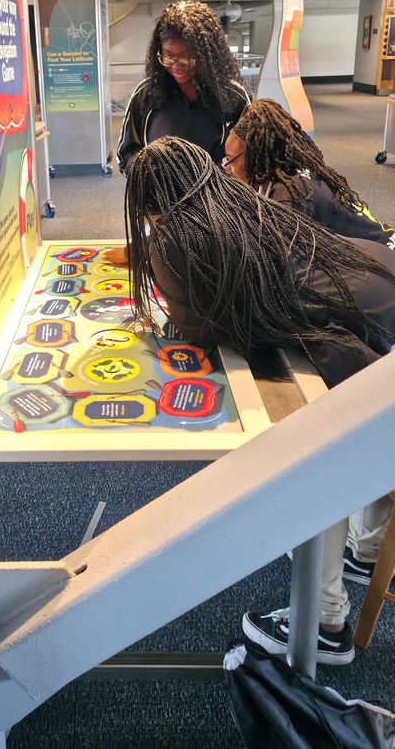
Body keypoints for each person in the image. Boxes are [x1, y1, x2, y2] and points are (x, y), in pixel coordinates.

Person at [124, 135, 395, 666]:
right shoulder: (239, 203)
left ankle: (325, 623)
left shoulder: (177, 238)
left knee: (317, 452)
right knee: (343, 434)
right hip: (380, 287)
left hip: (375, 338)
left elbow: (198, 327)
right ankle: (364, 551)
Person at [223, 98, 395, 247]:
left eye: (230, 160)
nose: (227, 168)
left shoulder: (291, 197)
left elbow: (286, 264)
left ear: (255, 156)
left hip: (381, 261)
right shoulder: (288, 171)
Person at [116, 0, 250, 177]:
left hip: (217, 200)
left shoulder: (233, 96)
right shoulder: (146, 94)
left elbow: (251, 154)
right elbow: (125, 155)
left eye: (188, 58)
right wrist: (151, 175)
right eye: (169, 57)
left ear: (207, 55)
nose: (177, 66)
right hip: (162, 200)